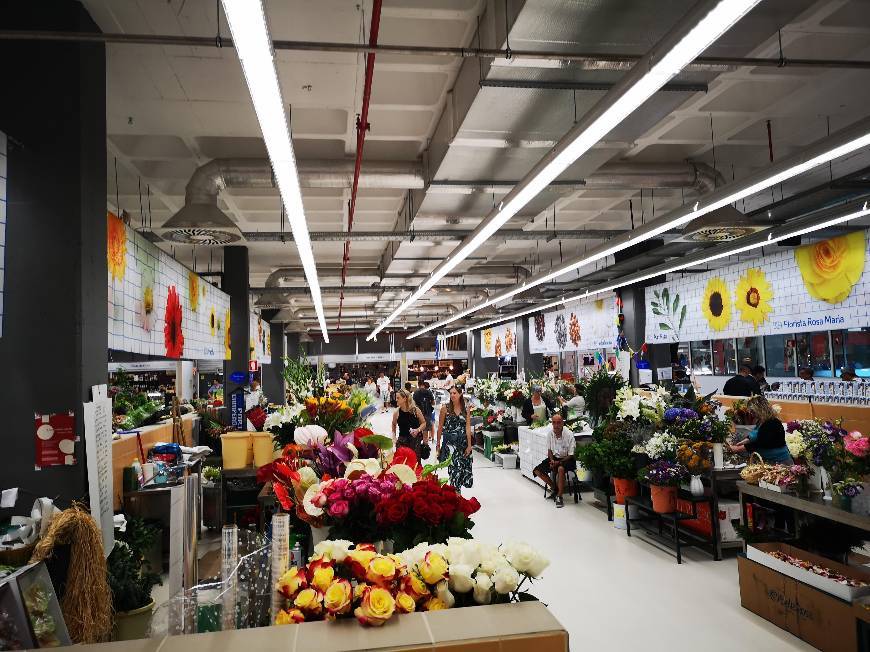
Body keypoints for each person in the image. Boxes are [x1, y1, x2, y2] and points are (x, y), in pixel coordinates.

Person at [729, 396, 792, 464]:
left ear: (760, 409)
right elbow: (756, 433)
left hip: (780, 462)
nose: (751, 414)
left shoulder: (772, 423)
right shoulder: (763, 420)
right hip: (770, 461)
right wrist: (744, 441)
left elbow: (761, 443)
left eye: (753, 411)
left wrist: (738, 448)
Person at [533, 414, 576, 508]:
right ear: (552, 423)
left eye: (558, 423)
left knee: (560, 469)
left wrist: (559, 462)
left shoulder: (569, 434)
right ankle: (555, 488)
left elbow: (571, 454)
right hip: (555, 458)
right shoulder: (550, 434)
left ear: (562, 423)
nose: (556, 425)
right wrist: (552, 460)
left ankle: (559, 496)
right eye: (554, 423)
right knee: (537, 470)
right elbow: (549, 450)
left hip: (567, 459)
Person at [436, 386, 473, 491]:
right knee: (454, 471)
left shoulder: (466, 409)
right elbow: (440, 428)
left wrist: (469, 445)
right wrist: (438, 445)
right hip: (450, 445)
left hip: (463, 443)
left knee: (463, 472)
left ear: (460, 394)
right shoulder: (445, 408)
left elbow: (468, 427)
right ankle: (456, 496)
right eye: (451, 393)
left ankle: (456, 496)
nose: (452, 395)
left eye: (454, 393)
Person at [392, 389, 427, 455]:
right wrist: (393, 436)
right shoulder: (397, 412)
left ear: (405, 399)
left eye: (398, 398)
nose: (396, 400)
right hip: (402, 440)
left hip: (415, 441)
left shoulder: (416, 410)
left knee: (414, 462)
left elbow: (424, 423)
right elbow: (393, 424)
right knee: (402, 462)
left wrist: (417, 430)